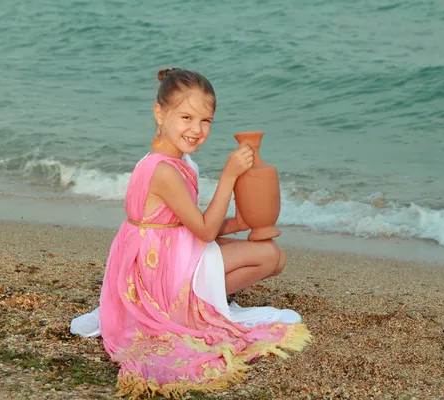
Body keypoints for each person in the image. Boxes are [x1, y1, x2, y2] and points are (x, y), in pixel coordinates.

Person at [70, 68, 311, 398]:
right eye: (186, 117)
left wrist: (240, 222)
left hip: (168, 252)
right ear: (160, 113)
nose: (196, 130)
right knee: (270, 256)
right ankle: (191, 303)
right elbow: (204, 232)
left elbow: (185, 226)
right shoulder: (163, 170)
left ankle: (201, 295)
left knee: (273, 252)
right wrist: (228, 177)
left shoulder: (175, 160)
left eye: (205, 121)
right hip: (160, 270)